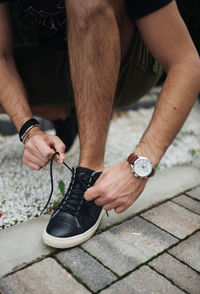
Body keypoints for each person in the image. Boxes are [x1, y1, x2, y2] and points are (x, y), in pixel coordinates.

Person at [0, 0, 199, 248]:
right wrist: (29, 129)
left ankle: (89, 172)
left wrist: (138, 167)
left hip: (127, 68)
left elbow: (187, 63)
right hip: (65, 62)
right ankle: (68, 112)